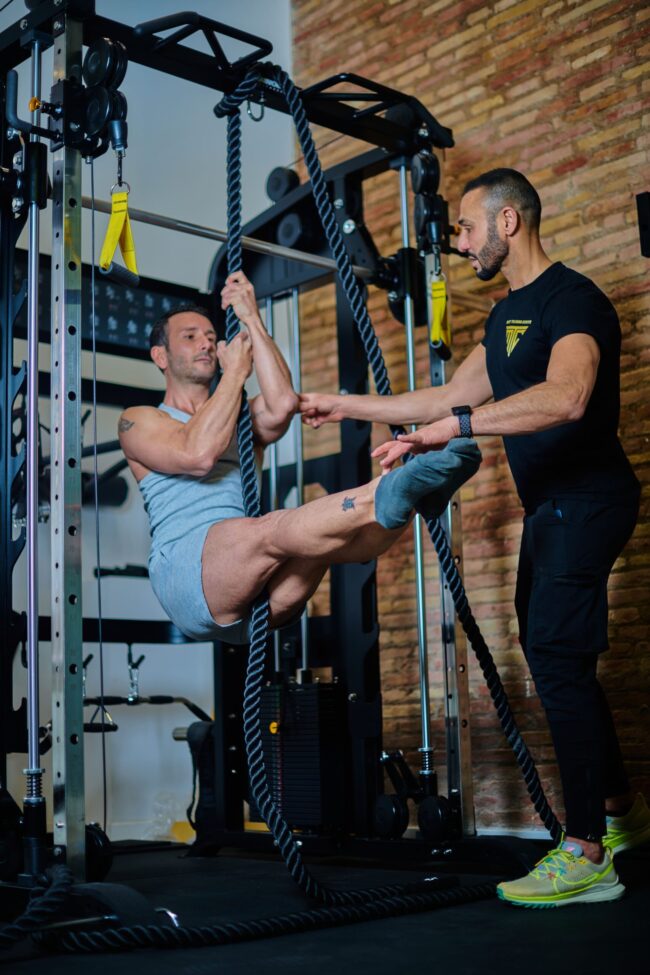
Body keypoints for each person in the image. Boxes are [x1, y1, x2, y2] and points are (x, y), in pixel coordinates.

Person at [300, 168, 650, 908]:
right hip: (553, 505)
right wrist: (341, 401)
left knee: (556, 655)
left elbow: (568, 396)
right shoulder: (506, 316)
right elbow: (445, 396)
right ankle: (618, 813)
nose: (458, 243)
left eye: (465, 228)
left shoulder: (572, 299)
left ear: (509, 222)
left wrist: (453, 429)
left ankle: (586, 850)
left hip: (588, 498)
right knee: (556, 653)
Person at [118, 270, 480, 650]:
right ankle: (386, 490)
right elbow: (197, 454)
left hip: (261, 596)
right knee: (275, 530)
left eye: (211, 336)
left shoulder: (238, 419)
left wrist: (252, 318)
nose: (206, 344)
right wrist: (238, 372)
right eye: (190, 337)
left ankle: (412, 498)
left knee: (327, 540)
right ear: (160, 355)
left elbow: (283, 404)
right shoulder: (139, 420)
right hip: (189, 576)